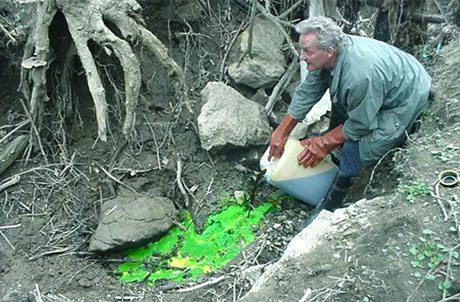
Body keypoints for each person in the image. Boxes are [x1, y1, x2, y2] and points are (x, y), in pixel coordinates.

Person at [268, 16, 431, 227]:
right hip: (380, 88)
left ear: (329, 51)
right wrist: (282, 131)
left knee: (358, 145)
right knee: (342, 113)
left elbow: (361, 124)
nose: (302, 57)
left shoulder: (359, 75)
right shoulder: (330, 57)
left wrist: (323, 143)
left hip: (405, 97)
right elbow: (308, 91)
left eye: (308, 52)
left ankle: (333, 202)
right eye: (302, 50)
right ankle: (332, 160)